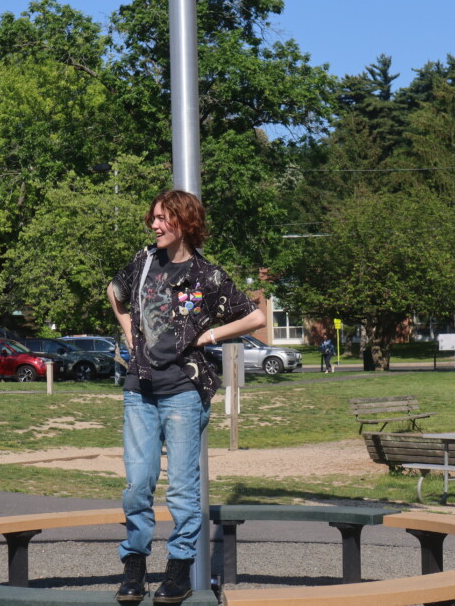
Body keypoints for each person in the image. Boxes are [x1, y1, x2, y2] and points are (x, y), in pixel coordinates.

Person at [106, 189, 265, 604]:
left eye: (162, 218)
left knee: (181, 489)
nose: (154, 225)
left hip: (184, 390)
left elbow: (257, 315)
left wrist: (210, 334)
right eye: (153, 218)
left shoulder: (207, 276)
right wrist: (129, 333)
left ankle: (177, 571)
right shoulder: (143, 262)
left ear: (184, 222)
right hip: (139, 389)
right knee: (137, 485)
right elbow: (113, 291)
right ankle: (134, 568)